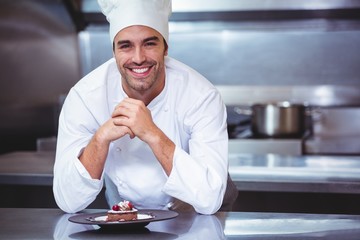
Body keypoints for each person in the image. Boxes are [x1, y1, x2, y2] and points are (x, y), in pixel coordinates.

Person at [53, 0, 238, 214]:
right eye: (126, 46)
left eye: (149, 44)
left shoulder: (201, 96)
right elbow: (68, 200)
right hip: (124, 216)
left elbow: (209, 199)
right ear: (113, 51)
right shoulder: (85, 97)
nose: (139, 58)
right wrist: (100, 139)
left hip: (194, 216)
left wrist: (152, 134)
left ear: (165, 47)